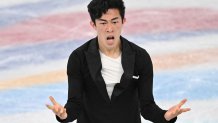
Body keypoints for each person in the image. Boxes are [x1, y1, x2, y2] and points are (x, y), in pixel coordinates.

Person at [46, 0, 191, 123]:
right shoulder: (78, 58)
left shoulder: (140, 57)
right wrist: (64, 115)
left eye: (114, 21)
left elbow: (147, 106)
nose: (109, 28)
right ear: (93, 25)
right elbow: (75, 105)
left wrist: (165, 116)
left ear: (123, 21)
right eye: (103, 23)